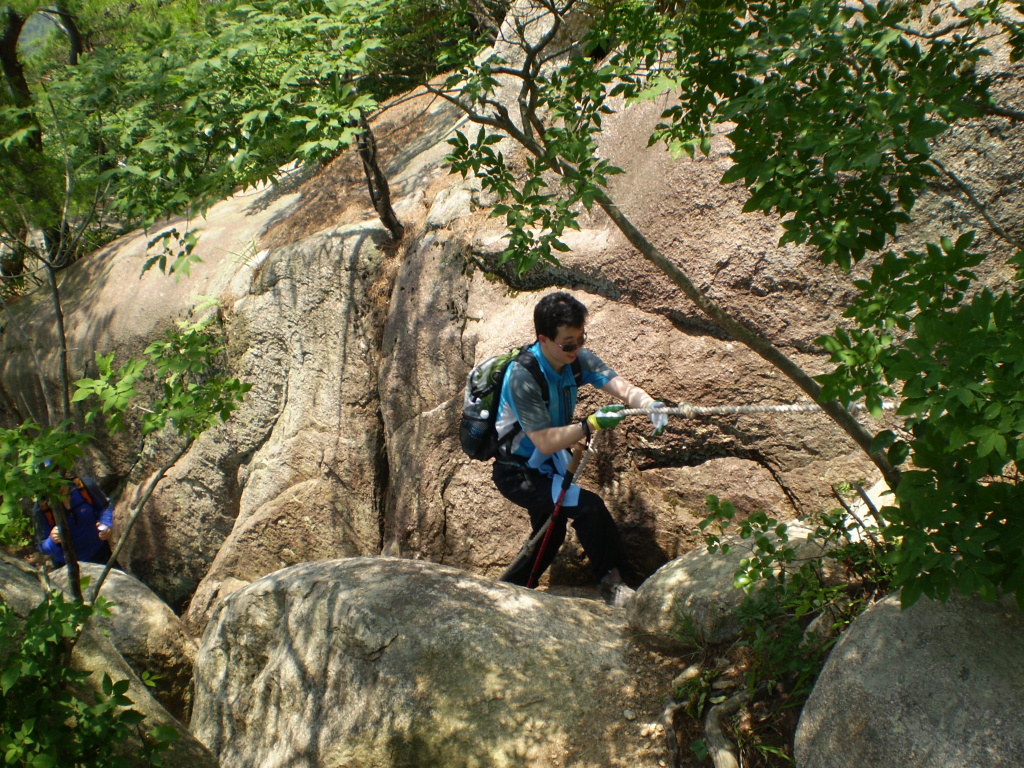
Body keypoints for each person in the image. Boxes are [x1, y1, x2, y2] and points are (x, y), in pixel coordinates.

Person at [493, 291, 667, 606]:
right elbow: (544, 440)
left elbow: (621, 386)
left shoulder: (575, 360)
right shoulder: (522, 377)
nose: (577, 349)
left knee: (551, 530)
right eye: (568, 344)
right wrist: (590, 425)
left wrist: (648, 404)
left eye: (581, 340)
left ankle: (510, 590)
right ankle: (614, 586)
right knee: (589, 508)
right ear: (543, 339)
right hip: (518, 471)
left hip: (547, 463)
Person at [32, 472, 115, 566]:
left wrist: (106, 524)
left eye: (57, 482)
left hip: (100, 553)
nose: (57, 489)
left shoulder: (82, 486)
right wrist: (52, 541)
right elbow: (41, 546)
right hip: (67, 565)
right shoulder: (41, 508)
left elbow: (105, 507)